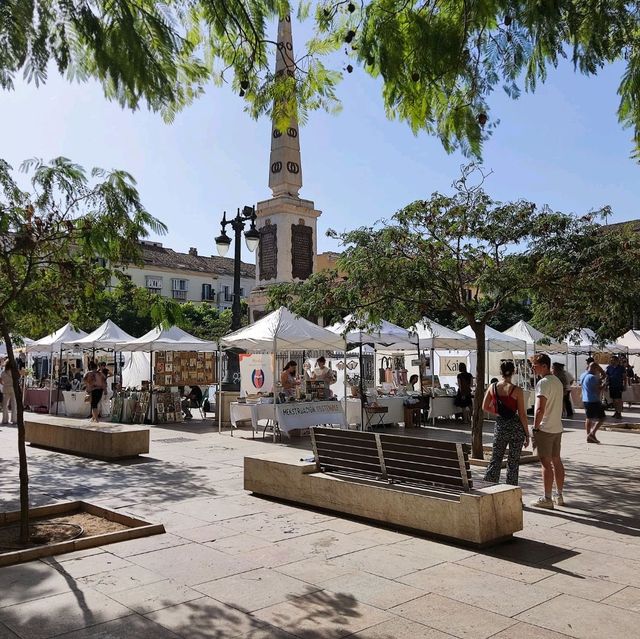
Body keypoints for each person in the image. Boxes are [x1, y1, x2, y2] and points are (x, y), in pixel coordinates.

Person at [482, 361, 530, 485]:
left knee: (496, 458)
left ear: (500, 372)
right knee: (513, 462)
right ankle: (511, 489)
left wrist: (498, 412)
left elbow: (485, 406)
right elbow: (522, 414)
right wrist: (527, 434)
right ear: (513, 371)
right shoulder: (517, 390)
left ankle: (488, 485)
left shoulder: (492, 387)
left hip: (500, 426)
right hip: (515, 427)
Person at [530, 353, 565, 509]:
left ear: (544, 366)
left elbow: (540, 409)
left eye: (534, 365)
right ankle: (559, 495)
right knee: (556, 461)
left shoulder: (543, 383)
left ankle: (547, 498)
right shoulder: (557, 381)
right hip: (557, 427)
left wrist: (535, 428)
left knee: (545, 463)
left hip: (545, 428)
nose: (532, 367)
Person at [579, 361, 606, 443]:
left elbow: (587, 384)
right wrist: (604, 385)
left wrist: (600, 379)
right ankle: (592, 433)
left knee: (588, 418)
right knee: (602, 418)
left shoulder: (583, 375)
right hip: (594, 400)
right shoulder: (592, 377)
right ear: (595, 368)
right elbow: (597, 390)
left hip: (585, 399)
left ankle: (588, 435)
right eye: (597, 369)